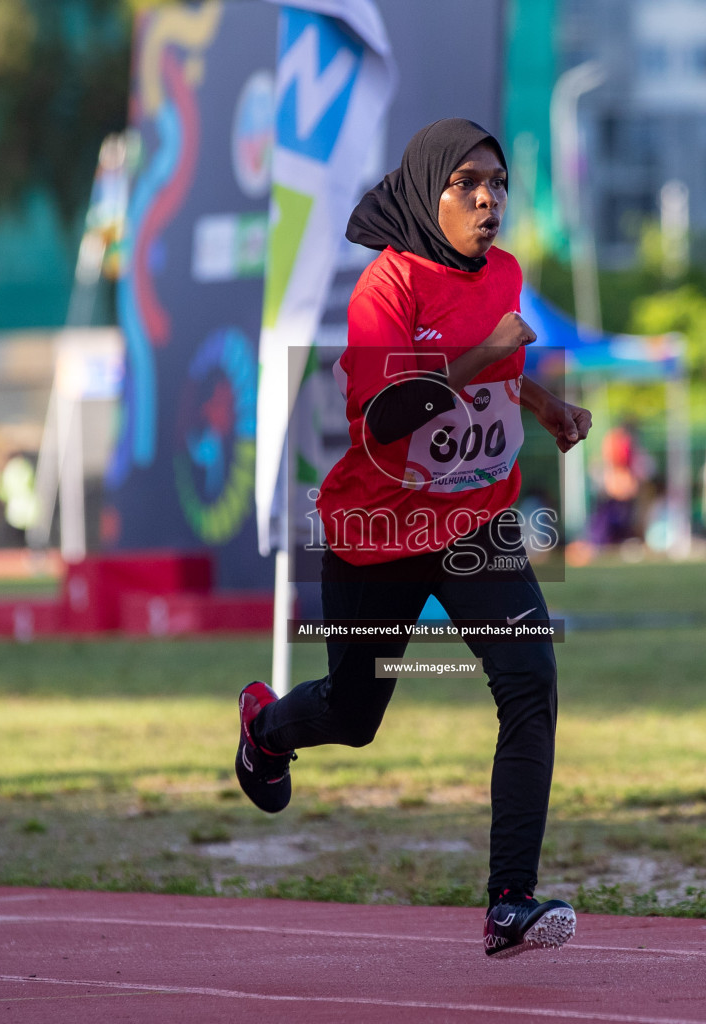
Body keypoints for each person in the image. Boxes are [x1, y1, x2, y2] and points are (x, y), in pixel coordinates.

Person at [233, 119, 592, 958]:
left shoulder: (502, 272)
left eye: (498, 184)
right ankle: (265, 730)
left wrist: (545, 407)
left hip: (474, 520)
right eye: (468, 183)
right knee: (356, 716)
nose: (488, 199)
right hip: (378, 531)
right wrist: (477, 355)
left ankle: (511, 903)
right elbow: (387, 423)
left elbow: (501, 363)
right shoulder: (384, 291)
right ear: (429, 191)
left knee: (530, 678)